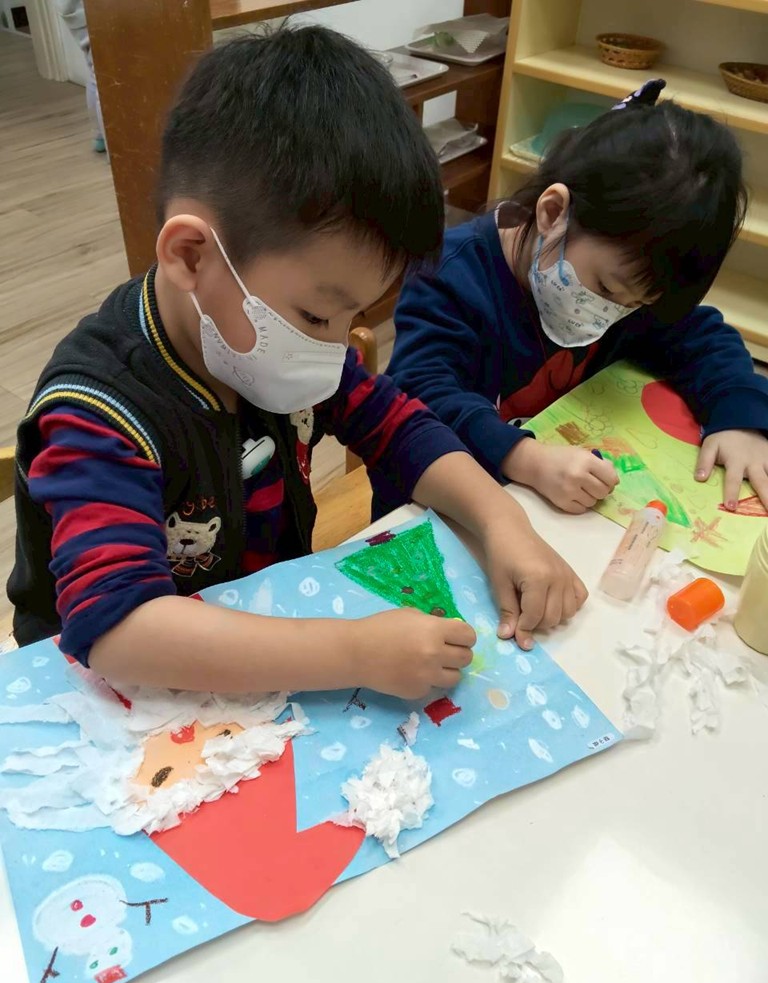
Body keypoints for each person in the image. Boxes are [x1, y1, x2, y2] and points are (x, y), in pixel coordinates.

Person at [7, 27, 586, 699]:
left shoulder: (268, 341)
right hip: (112, 694)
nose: (336, 346)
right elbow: (119, 632)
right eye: (316, 316)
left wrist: (501, 521)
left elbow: (401, 426)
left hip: (264, 627)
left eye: (354, 315)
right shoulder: (97, 414)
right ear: (192, 255)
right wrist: (353, 654)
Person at [381, 80, 768, 518]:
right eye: (606, 289)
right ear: (553, 212)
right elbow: (420, 397)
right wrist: (525, 459)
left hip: (552, 509)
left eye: (637, 303)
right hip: (433, 511)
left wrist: (741, 415)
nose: (611, 312)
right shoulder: (448, 275)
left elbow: (700, 335)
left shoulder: (629, 284)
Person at [54, 0, 106, 152]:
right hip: (88, 10)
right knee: (102, 75)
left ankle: (100, 136)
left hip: (73, 9)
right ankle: (113, 148)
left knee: (96, 72)